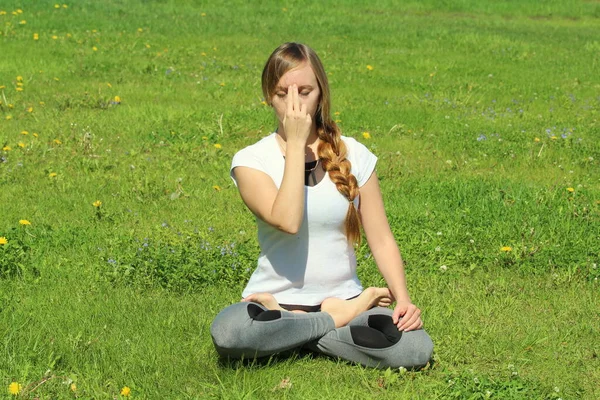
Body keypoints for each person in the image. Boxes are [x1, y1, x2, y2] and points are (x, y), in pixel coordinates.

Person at [210, 42, 433, 369]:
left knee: (414, 348)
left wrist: (403, 300)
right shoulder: (251, 161)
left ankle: (295, 334)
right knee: (231, 332)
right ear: (268, 97)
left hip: (342, 297)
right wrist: (297, 142)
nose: (294, 103)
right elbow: (287, 220)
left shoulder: (355, 154)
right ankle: (331, 322)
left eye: (304, 91)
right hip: (272, 307)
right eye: (282, 94)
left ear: (321, 94)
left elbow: (381, 238)